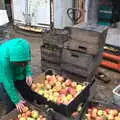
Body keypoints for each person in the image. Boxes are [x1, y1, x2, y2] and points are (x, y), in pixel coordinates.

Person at [0, 38, 35, 114]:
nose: (23, 65)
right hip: (3, 73)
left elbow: (26, 60)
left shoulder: (24, 48)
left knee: (25, 87)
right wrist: (16, 100)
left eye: (24, 63)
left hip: (15, 69)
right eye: (20, 63)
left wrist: (28, 73)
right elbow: (7, 82)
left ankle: (30, 104)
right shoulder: (3, 60)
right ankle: (11, 112)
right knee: (8, 95)